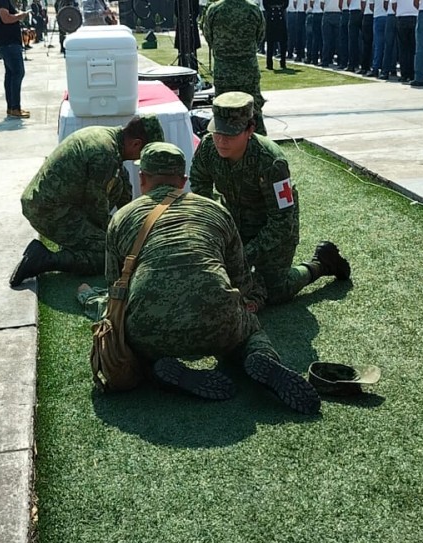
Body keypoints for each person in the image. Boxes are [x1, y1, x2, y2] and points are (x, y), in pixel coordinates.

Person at [102, 141, 321, 414]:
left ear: (142, 178)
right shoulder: (215, 210)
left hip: (150, 331)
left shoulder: (121, 218)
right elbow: (241, 281)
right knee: (250, 330)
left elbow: (114, 287)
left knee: (133, 342)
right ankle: (259, 356)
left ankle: (156, 369)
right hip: (219, 322)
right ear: (183, 180)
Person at [189, 92, 351, 311]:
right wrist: (212, 232)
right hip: (234, 222)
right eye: (217, 132)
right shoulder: (209, 147)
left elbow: (282, 222)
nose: (221, 140)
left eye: (230, 134)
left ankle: (321, 263)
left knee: (274, 292)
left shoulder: (271, 162)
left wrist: (244, 255)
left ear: (250, 130)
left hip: (271, 230)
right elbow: (200, 188)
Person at [8, 114, 165, 287]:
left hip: (56, 203)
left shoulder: (108, 139)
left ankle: (78, 242)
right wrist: (119, 239)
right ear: (135, 143)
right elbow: (96, 209)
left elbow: (121, 192)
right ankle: (44, 259)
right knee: (110, 255)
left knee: (121, 181)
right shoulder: (104, 154)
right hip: (47, 212)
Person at [202, 0, 268, 135]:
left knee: (223, 113)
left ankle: (224, 146)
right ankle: (260, 146)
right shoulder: (253, 9)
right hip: (248, 71)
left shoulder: (214, 10)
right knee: (253, 112)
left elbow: (209, 37)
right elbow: (260, 36)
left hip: (224, 72)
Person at [0, 0, 28, 118]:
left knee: (11, 74)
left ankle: (12, 107)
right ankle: (15, 107)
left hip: (7, 42)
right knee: (18, 72)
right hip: (8, 42)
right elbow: (5, 18)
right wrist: (20, 16)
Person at [264, 0, 288, 69]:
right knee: (270, 43)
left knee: (283, 42)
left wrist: (279, 8)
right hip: (271, 16)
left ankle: (283, 62)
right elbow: (265, 4)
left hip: (280, 16)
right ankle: (269, 64)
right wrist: (272, 9)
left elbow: (286, 3)